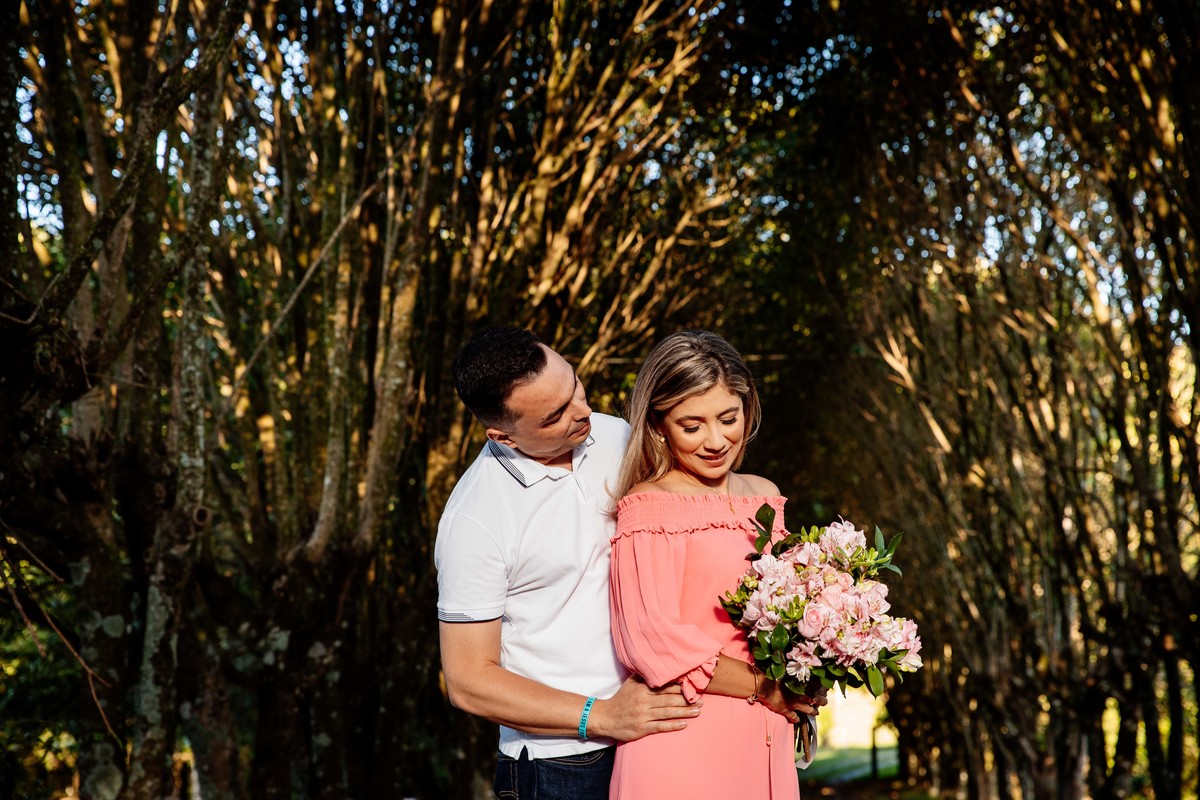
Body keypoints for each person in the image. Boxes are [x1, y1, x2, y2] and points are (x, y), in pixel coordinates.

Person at [435, 327, 699, 800]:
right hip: (561, 763)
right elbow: (468, 679)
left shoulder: (618, 436)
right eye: (556, 414)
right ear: (505, 436)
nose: (583, 412)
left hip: (658, 731)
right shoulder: (474, 519)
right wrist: (600, 715)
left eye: (574, 384)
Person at [607, 330, 826, 799]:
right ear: (659, 424)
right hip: (684, 737)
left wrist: (812, 668)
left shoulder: (764, 493)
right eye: (692, 426)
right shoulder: (648, 506)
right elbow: (651, 641)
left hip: (768, 734)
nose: (716, 440)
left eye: (729, 418)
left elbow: (789, 609)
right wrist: (766, 687)